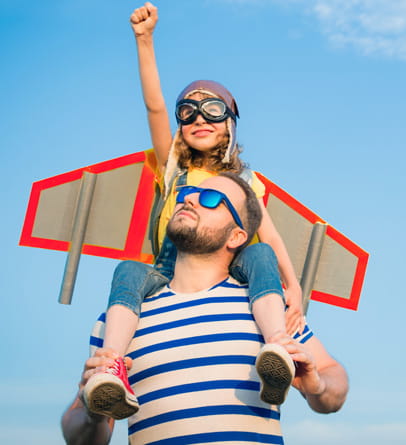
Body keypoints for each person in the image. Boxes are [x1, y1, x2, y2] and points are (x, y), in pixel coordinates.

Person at [81, 2, 304, 420]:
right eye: (189, 112)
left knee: (259, 255)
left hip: (226, 267)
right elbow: (154, 108)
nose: (199, 117)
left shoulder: (246, 184)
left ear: (230, 124)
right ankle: (111, 365)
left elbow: (269, 238)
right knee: (128, 271)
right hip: (170, 270)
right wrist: (144, 41)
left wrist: (294, 289)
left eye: (213, 110)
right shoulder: (173, 166)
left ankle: (277, 351)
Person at [61, 172, 349, 445]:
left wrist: (318, 387)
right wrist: (91, 413)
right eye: (188, 192)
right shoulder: (115, 322)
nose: (190, 199)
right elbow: (81, 436)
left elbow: (332, 379)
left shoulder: (268, 307)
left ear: (236, 236)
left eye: (211, 198)